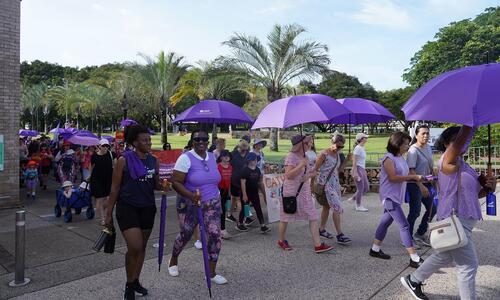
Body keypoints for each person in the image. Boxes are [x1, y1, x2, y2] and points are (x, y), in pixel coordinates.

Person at [401, 126, 496, 300]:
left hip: (464, 220)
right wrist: (469, 124)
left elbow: (475, 194)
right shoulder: (448, 161)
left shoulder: (465, 165)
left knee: (444, 256)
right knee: (468, 266)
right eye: (460, 139)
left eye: (466, 140)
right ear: (446, 144)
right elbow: (460, 142)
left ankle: (413, 280)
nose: (465, 142)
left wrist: (489, 187)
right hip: (456, 220)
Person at [105, 124, 169, 300]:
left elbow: (154, 184)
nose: (149, 142)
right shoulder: (123, 160)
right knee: (135, 247)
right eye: (144, 140)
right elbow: (115, 188)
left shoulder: (153, 160)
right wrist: (108, 213)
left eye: (149, 139)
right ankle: (128, 284)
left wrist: (163, 185)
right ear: (134, 142)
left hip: (148, 207)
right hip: (127, 207)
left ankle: (135, 281)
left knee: (142, 249)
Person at [169, 129, 227, 285]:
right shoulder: (185, 158)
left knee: (215, 236)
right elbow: (175, 182)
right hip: (190, 203)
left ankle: (212, 273)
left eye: (204, 139)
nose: (201, 142)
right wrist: (191, 196)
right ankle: (173, 260)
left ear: (208, 141)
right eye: (197, 139)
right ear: (192, 141)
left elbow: (213, 179)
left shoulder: (212, 156)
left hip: (212, 202)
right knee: (186, 234)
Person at [369, 132, 424, 268]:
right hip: (389, 196)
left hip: (396, 196)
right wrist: (413, 178)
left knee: (385, 222)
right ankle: (414, 257)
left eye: (407, 143)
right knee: (404, 225)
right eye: (405, 143)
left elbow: (406, 174)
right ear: (397, 144)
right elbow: (393, 177)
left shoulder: (400, 157)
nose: (407, 146)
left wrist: (419, 178)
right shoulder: (388, 158)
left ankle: (375, 249)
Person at [278, 134, 334, 253]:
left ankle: (318, 245)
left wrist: (309, 175)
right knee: (286, 217)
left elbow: (312, 172)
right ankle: (281, 240)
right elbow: (288, 175)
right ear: (300, 145)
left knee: (312, 216)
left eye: (310, 143)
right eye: (307, 143)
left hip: (304, 192)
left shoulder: (306, 156)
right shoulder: (291, 157)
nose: (310, 145)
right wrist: (301, 165)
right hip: (292, 192)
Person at [314, 133, 351, 244]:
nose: (339, 148)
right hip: (325, 185)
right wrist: (312, 185)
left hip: (334, 184)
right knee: (337, 207)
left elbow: (338, 170)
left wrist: (347, 160)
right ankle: (340, 234)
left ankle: (321, 229)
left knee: (326, 207)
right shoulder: (324, 154)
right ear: (332, 142)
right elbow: (315, 169)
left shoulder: (338, 155)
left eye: (341, 146)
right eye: (337, 145)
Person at [406, 124, 436, 247]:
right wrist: (421, 186)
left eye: (427, 133)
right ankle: (407, 238)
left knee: (433, 208)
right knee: (415, 211)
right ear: (416, 135)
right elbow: (411, 170)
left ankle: (420, 233)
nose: (425, 135)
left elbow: (429, 166)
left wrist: (433, 178)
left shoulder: (428, 148)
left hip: (427, 183)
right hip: (415, 184)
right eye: (423, 133)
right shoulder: (413, 150)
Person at [238, 152, 270, 233]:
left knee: (258, 208)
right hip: (246, 192)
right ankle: (240, 223)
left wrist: (262, 191)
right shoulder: (245, 170)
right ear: (249, 161)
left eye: (256, 159)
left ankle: (262, 225)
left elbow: (259, 181)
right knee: (244, 208)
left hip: (255, 192)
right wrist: (244, 194)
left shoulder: (257, 169)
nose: (255, 161)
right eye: (253, 160)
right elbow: (243, 182)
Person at [227, 136, 252, 225]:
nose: (244, 149)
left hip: (246, 181)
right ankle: (245, 217)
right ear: (239, 145)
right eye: (243, 146)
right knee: (240, 199)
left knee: (235, 199)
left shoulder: (249, 154)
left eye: (246, 147)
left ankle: (229, 214)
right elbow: (227, 166)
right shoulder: (232, 155)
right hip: (235, 181)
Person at [90, 139, 114, 225]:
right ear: (99, 146)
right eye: (103, 146)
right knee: (99, 199)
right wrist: (89, 177)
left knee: (108, 199)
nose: (105, 147)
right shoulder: (94, 156)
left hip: (108, 179)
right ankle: (103, 218)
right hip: (96, 179)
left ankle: (100, 209)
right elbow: (91, 167)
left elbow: (115, 165)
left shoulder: (111, 154)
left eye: (107, 146)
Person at [349, 133, 370, 212]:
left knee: (366, 188)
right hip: (358, 169)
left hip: (362, 169)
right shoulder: (358, 148)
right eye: (365, 137)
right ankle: (358, 205)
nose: (366, 139)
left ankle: (354, 198)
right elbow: (354, 161)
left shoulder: (362, 147)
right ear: (361, 139)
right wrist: (355, 172)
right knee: (361, 188)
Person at [217, 149, 233, 239]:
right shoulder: (218, 166)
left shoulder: (230, 167)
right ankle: (222, 230)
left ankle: (221, 229)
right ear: (221, 157)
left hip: (226, 191)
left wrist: (229, 192)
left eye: (228, 155)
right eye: (224, 155)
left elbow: (230, 180)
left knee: (224, 210)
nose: (227, 157)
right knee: (220, 210)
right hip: (219, 190)